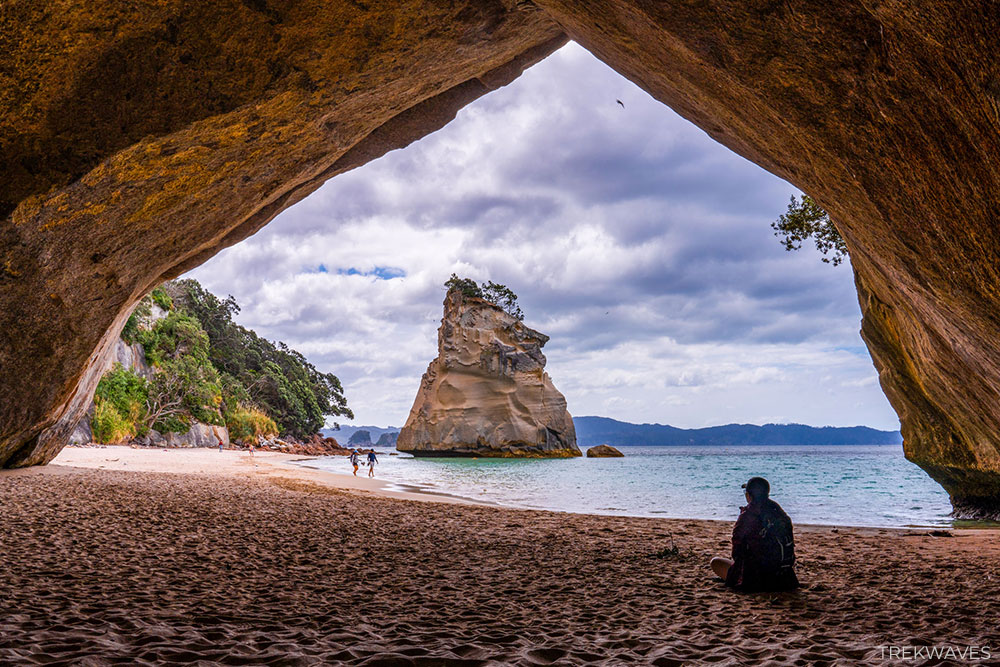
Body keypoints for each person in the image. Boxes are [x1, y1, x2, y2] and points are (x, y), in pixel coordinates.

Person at [710, 476, 799, 592]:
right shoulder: (779, 513)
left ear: (748, 496)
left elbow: (737, 552)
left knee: (716, 562)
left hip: (755, 579)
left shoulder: (748, 515)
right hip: (785, 578)